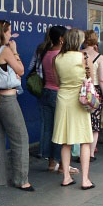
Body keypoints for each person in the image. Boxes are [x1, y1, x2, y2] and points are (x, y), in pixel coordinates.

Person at [0, 20, 32, 190]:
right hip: (7, 98)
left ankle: (0, 178)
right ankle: (21, 180)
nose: (10, 35)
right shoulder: (5, 50)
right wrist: (15, 51)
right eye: (9, 32)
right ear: (2, 33)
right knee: (20, 138)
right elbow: (20, 70)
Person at [52, 29, 94, 189]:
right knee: (85, 140)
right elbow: (91, 79)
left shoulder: (57, 58)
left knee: (65, 141)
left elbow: (57, 82)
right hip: (80, 99)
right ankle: (85, 180)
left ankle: (66, 177)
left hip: (63, 99)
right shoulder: (83, 57)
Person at [38, 25, 69, 173]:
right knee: (62, 129)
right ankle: (63, 164)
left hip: (46, 92)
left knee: (48, 128)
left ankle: (51, 162)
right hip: (59, 94)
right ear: (61, 38)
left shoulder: (45, 53)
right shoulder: (61, 55)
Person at [82, 29, 103, 160]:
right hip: (95, 91)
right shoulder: (99, 57)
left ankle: (80, 152)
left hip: (82, 90)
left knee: (82, 121)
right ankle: (91, 153)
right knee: (95, 123)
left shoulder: (79, 54)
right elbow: (102, 79)